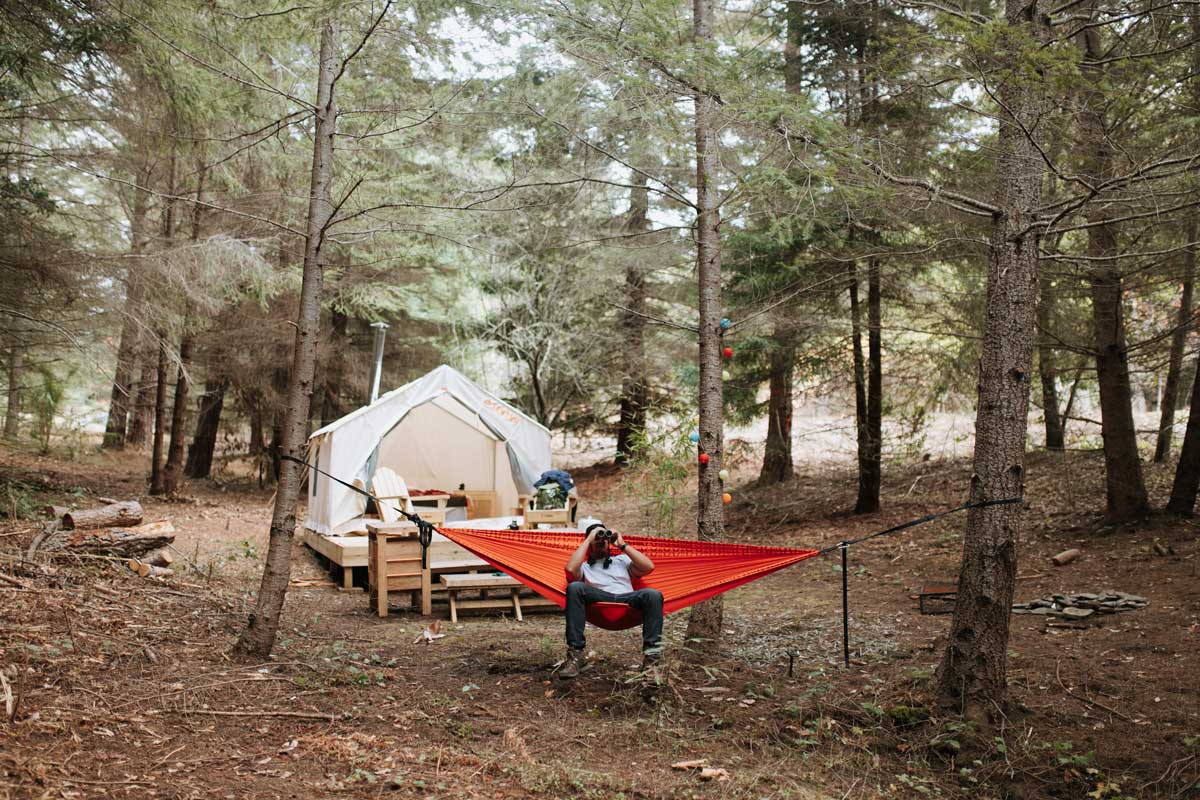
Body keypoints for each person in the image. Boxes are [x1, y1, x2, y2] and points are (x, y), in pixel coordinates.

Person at [559, 524, 663, 679]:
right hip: (599, 598)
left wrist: (622, 544)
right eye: (597, 538)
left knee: (653, 594)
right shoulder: (584, 566)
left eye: (603, 538)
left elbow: (648, 567)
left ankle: (652, 660)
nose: (601, 541)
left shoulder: (621, 560)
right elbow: (570, 570)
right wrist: (589, 539)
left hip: (627, 598)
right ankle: (575, 655)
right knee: (574, 587)